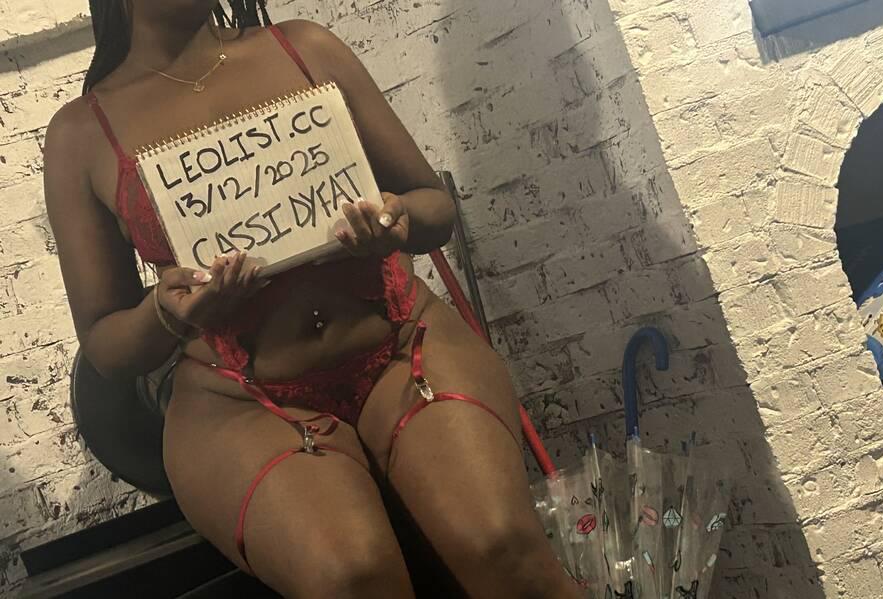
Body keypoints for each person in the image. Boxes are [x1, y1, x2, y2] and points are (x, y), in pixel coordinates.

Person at [43, 2, 581, 597]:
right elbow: (106, 344)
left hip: (402, 346)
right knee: (352, 579)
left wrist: (398, 220)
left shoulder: (305, 47)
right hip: (241, 401)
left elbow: (433, 205)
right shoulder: (80, 135)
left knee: (502, 546)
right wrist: (165, 314)